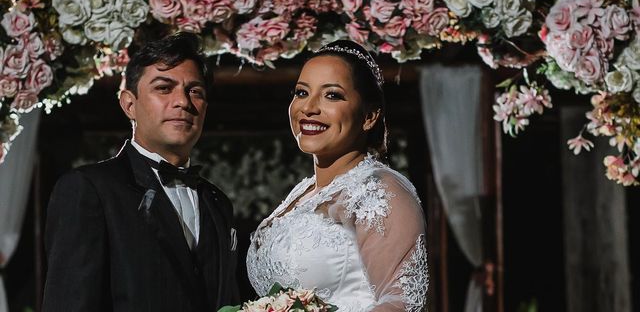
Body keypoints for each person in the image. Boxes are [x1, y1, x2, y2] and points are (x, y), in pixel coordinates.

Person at [42, 32, 239, 312]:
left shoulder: (218, 202)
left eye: (195, 91)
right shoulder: (89, 189)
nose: (183, 101)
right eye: (164, 88)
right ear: (129, 104)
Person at [246, 40, 428, 311]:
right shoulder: (303, 192)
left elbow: (405, 304)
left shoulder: (377, 191)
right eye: (301, 92)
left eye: (332, 95)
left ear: (369, 115)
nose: (309, 108)